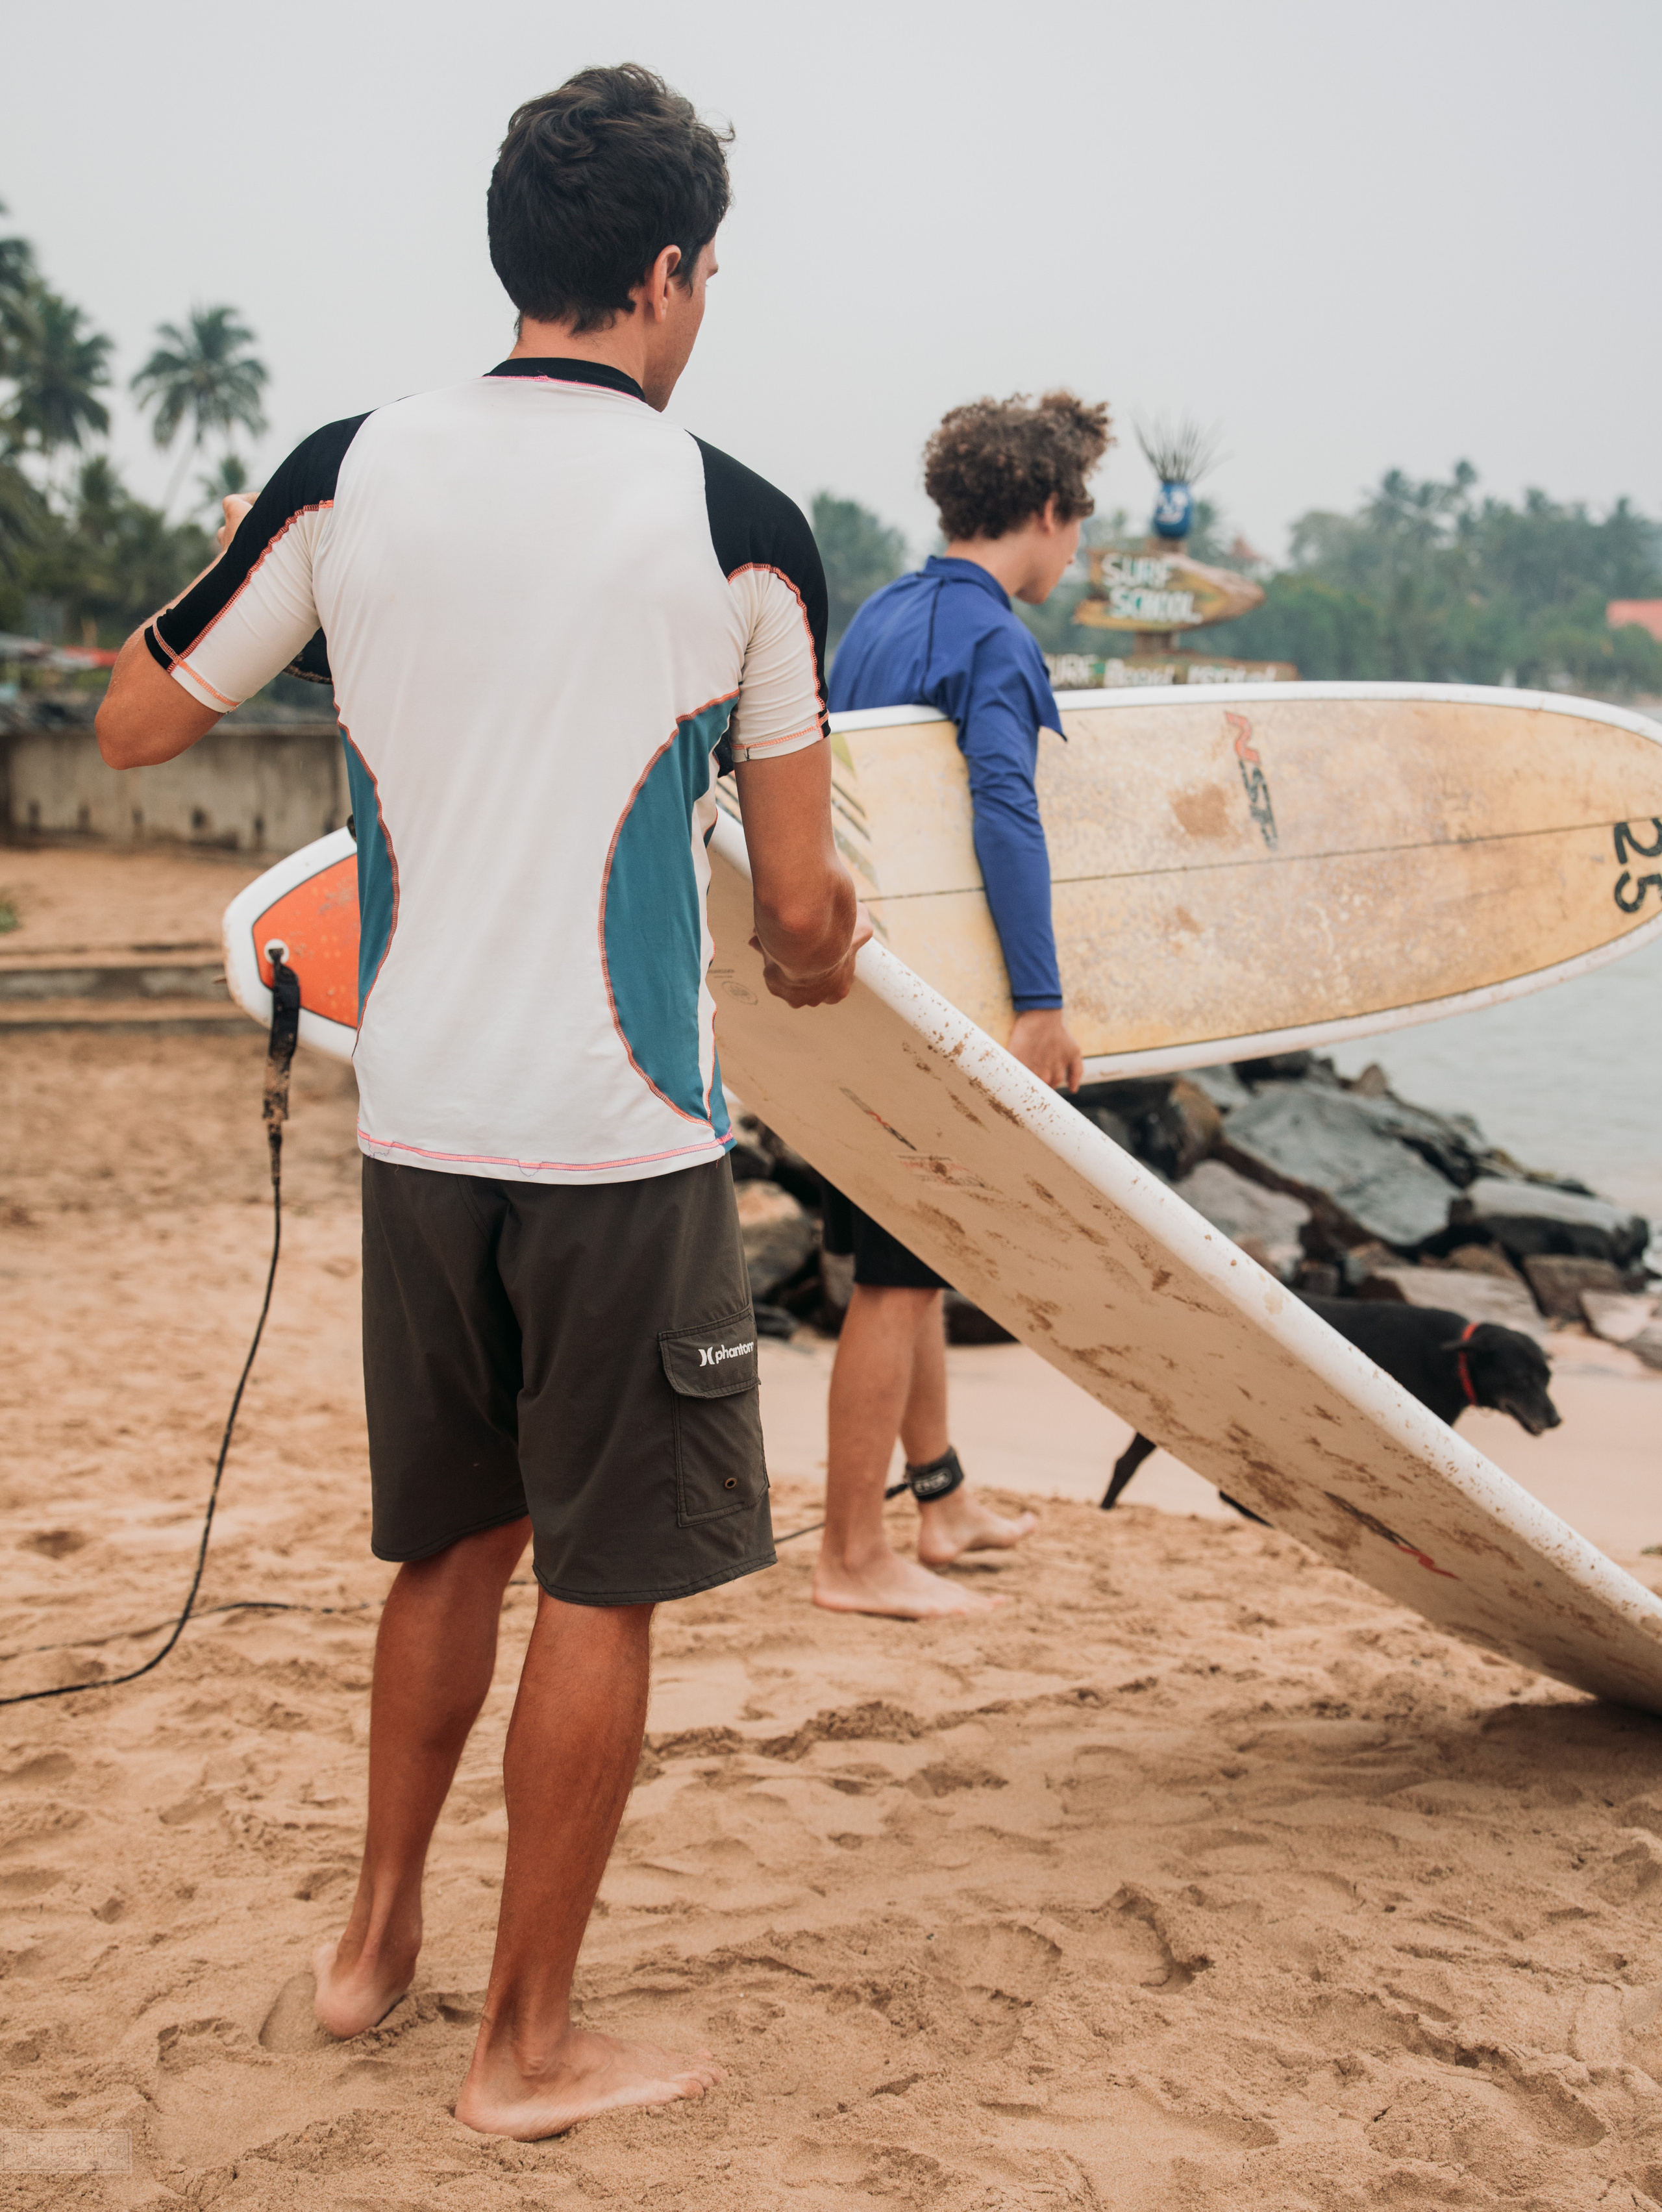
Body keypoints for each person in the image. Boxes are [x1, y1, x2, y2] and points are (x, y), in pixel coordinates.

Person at [96, 65, 863, 2141]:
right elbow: (797, 919)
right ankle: (525, 2051)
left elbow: (141, 718)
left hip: (419, 1120)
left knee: (447, 1547)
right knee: (598, 1582)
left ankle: (372, 1950)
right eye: (708, 272)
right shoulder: (742, 528)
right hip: (620, 1144)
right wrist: (829, 929)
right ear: (666, 271)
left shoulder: (352, 477)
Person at [811, 390, 1111, 1621]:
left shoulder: (883, 615)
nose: (1079, 550)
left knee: (914, 1253)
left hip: (846, 986)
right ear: (1045, 511)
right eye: (1079, 523)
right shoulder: (994, 639)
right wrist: (1038, 1001)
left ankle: (936, 1503)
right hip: (928, 1008)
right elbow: (1005, 805)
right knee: (898, 1269)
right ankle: (848, 1555)